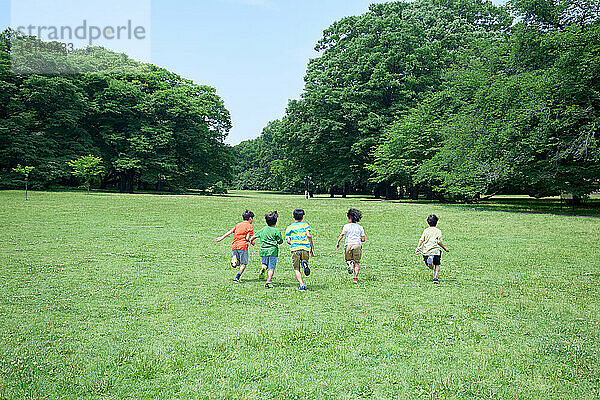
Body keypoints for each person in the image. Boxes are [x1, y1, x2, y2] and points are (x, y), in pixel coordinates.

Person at [215, 210, 255, 282]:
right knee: (244, 264)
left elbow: (229, 232)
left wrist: (221, 238)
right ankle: (237, 277)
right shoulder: (250, 226)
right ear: (250, 218)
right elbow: (247, 238)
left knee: (239, 262)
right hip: (243, 246)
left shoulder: (238, 225)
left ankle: (234, 259)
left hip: (234, 246)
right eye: (252, 218)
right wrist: (252, 241)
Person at [250, 211, 283, 289]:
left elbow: (254, 236)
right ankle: (268, 282)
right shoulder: (276, 231)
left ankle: (263, 268)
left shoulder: (263, 229)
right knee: (271, 268)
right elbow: (280, 241)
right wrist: (277, 241)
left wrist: (251, 241)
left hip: (263, 250)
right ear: (275, 222)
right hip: (272, 251)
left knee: (264, 264)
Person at [284, 208, 315, 291]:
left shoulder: (290, 227)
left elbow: (288, 240)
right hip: (305, 247)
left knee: (296, 268)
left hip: (295, 248)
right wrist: (312, 247)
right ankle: (305, 263)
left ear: (293, 217)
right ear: (303, 217)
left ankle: (301, 285)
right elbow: (309, 236)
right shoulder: (305, 225)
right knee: (305, 260)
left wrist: (292, 243)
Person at [415, 214, 449, 284]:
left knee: (430, 266)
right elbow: (439, 242)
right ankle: (435, 278)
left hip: (426, 251)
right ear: (436, 222)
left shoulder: (426, 230)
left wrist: (418, 247)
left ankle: (430, 261)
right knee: (437, 264)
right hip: (435, 251)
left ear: (428, 222)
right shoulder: (438, 231)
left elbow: (421, 240)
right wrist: (445, 248)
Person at [336, 208, 365, 283]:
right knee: (357, 262)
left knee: (348, 260)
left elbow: (342, 234)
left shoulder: (346, 226)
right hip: (357, 245)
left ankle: (350, 264)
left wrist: (338, 242)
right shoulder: (360, 227)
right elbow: (363, 239)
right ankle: (355, 278)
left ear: (350, 218)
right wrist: (360, 239)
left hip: (348, 245)